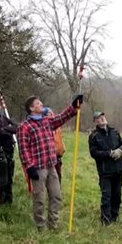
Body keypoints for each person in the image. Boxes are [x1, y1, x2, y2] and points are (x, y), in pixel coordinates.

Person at [17, 94, 83, 231]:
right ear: (31, 108)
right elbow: (23, 149)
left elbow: (61, 117)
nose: (41, 104)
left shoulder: (47, 121)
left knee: (56, 196)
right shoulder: (25, 127)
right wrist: (29, 167)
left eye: (40, 102)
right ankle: (41, 226)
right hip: (38, 168)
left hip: (51, 165)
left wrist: (73, 106)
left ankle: (53, 224)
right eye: (38, 103)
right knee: (39, 199)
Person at [88, 111, 122, 225]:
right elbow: (94, 153)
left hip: (118, 169)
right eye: (99, 118)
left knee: (117, 195)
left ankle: (115, 217)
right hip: (105, 171)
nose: (102, 119)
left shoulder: (114, 131)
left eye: (103, 117)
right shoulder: (94, 136)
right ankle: (106, 220)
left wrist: (120, 150)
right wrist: (108, 153)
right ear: (95, 121)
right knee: (106, 196)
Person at [44, 107, 67, 183]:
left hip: (58, 155)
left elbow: (60, 137)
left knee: (58, 174)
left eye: (51, 113)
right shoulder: (44, 126)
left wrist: (62, 146)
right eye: (48, 114)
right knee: (51, 175)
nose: (50, 115)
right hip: (49, 156)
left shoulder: (58, 126)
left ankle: (58, 191)